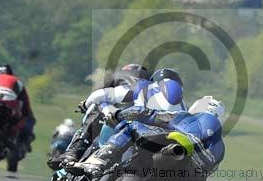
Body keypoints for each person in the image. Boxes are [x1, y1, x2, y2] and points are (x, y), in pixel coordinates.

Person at [71, 96, 225, 181]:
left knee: (130, 126)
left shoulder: (188, 118)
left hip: (170, 147)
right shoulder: (220, 148)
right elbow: (207, 173)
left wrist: (119, 114)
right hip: (189, 174)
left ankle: (101, 159)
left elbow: (148, 114)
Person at [48, 66, 184, 169]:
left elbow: (100, 96)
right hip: (159, 145)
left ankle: (75, 150)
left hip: (130, 129)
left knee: (98, 105)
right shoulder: (183, 106)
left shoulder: (142, 87)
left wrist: (85, 104)